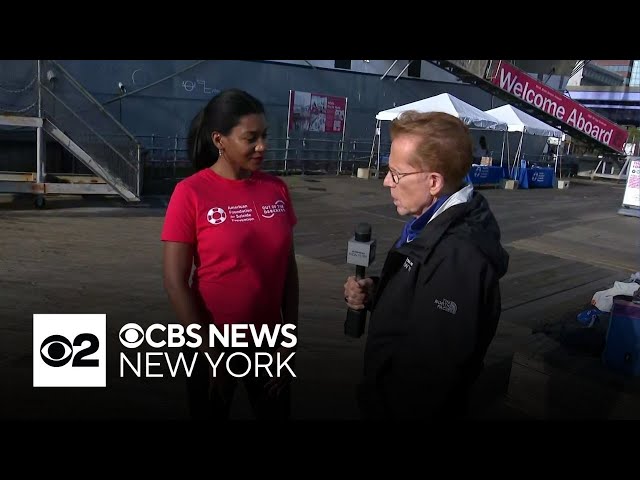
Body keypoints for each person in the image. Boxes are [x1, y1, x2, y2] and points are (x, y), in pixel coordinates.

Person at [343, 111, 509, 420]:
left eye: (396, 173)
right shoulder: (432, 225)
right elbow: (421, 303)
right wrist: (377, 291)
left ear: (433, 182)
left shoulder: (458, 259)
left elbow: (432, 378)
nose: (386, 181)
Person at [161, 88, 299, 420]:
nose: (262, 146)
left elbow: (288, 270)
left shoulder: (276, 188)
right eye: (250, 138)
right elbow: (175, 281)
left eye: (264, 135)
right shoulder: (190, 193)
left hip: (268, 342)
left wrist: (288, 339)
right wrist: (211, 353)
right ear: (219, 140)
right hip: (209, 342)